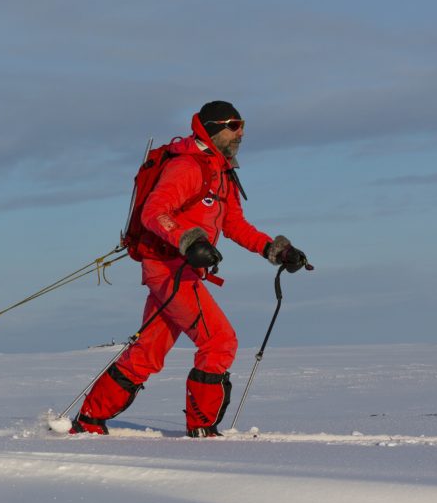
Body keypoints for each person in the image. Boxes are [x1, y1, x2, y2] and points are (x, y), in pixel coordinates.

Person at [70, 101, 309, 437]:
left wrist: (277, 250)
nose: (241, 132)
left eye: (242, 124)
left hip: (179, 271)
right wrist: (189, 241)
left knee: (148, 353)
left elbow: (235, 225)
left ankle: (89, 420)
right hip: (169, 268)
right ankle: (202, 430)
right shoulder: (188, 166)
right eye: (233, 124)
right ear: (212, 128)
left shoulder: (222, 173)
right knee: (219, 342)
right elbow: (154, 211)